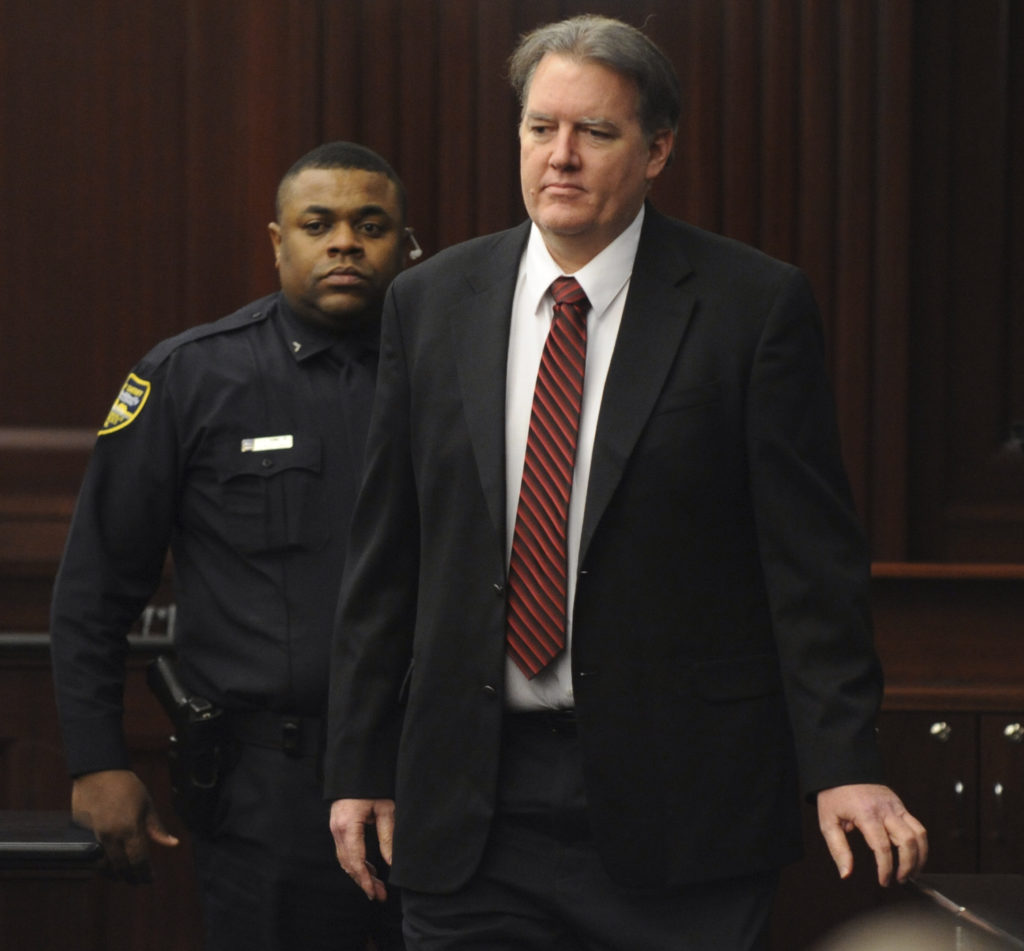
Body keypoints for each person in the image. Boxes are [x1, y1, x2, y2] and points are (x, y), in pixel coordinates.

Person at [325, 16, 927, 951]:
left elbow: (811, 566)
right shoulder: (430, 301)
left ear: (657, 150)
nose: (560, 156)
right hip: (473, 803)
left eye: (595, 132)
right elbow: (386, 555)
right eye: (540, 128)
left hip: (681, 808)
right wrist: (360, 762)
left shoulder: (750, 307)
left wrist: (844, 760)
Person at [50, 141, 414, 951]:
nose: (345, 242)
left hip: (434, 775)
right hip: (269, 789)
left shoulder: (451, 373)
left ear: (408, 245)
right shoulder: (191, 378)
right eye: (317, 224)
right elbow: (95, 587)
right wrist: (97, 760)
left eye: (370, 225)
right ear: (278, 242)